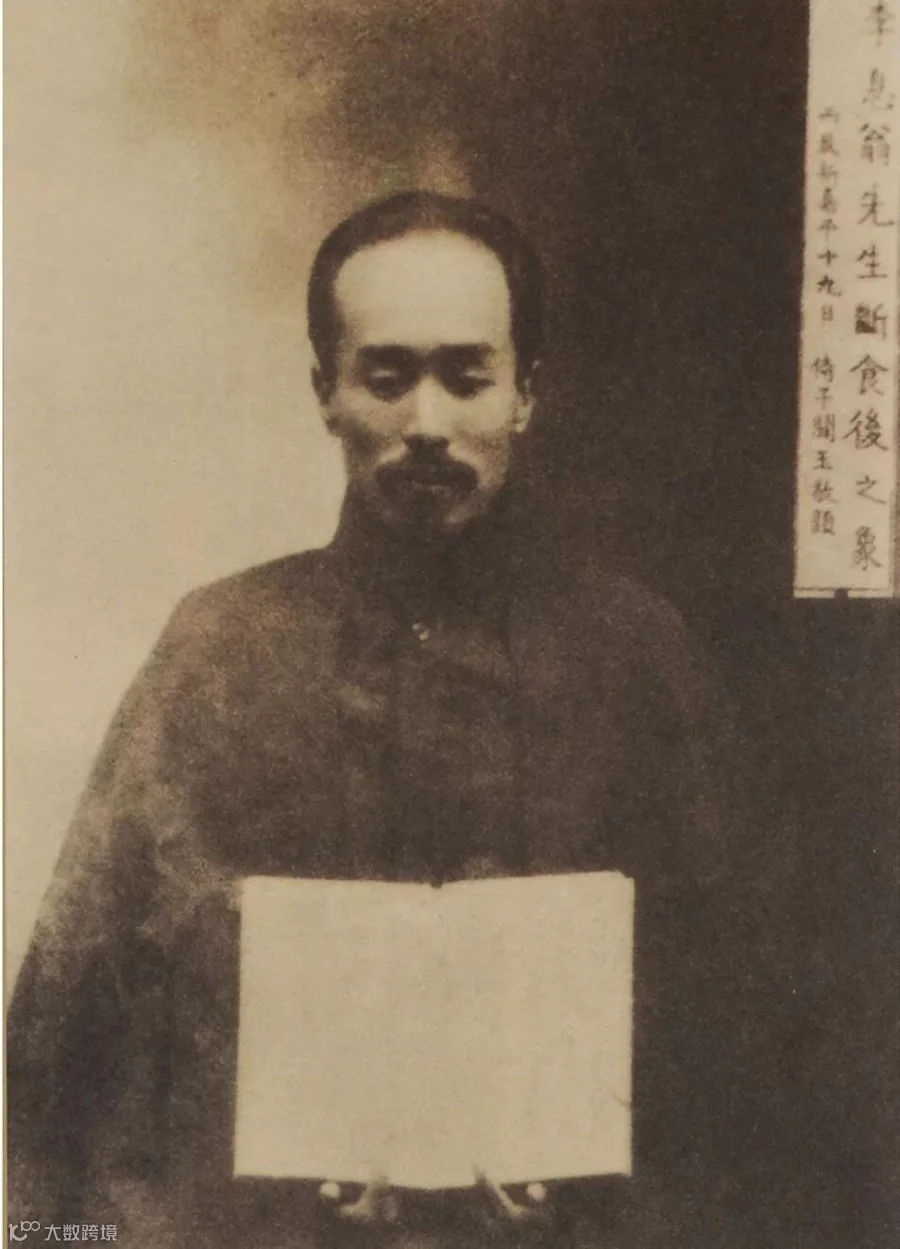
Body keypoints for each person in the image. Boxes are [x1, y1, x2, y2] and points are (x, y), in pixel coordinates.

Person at [7, 191, 763, 1248]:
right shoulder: (219, 650)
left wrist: (584, 1198)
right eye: (388, 375)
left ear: (526, 393)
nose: (427, 424)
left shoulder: (636, 655)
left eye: (467, 376)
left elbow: (738, 1043)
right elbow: (62, 1036)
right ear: (326, 392)